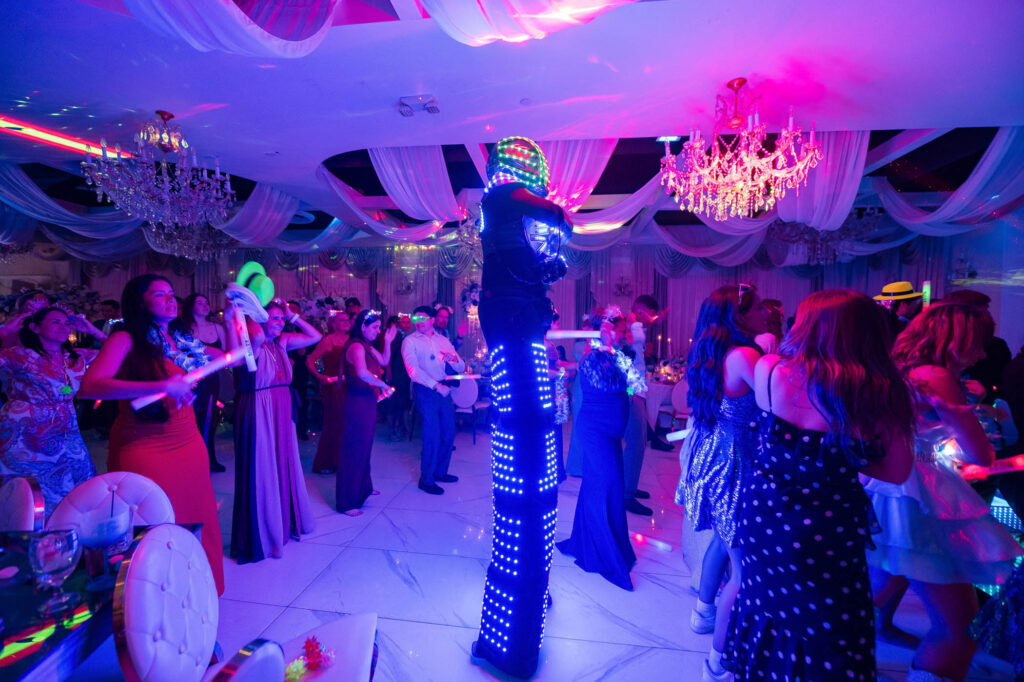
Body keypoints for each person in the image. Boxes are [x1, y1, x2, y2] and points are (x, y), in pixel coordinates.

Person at [726, 289, 915, 682]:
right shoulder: (878, 392)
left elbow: (779, 435)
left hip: (765, 515)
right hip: (826, 524)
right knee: (830, 623)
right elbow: (897, 471)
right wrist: (842, 454)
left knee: (765, 605)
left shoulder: (770, 370)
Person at [864, 302, 1023, 682]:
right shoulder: (935, 375)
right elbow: (980, 454)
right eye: (980, 342)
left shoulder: (904, 369)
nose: (983, 353)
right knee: (958, 629)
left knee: (867, 601)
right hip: (919, 493)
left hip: (893, 488)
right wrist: (966, 414)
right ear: (958, 340)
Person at [471, 136, 572, 679]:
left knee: (534, 464)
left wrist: (548, 257)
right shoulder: (501, 198)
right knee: (528, 464)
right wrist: (556, 228)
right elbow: (555, 215)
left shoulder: (507, 222)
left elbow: (550, 254)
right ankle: (508, 640)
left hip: (519, 325)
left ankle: (524, 609)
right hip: (511, 324)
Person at [79, 275, 228, 594]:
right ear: (139, 301)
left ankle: (197, 596)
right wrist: (160, 386)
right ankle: (154, 599)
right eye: (160, 295)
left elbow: (225, 355)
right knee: (157, 522)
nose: (171, 300)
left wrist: (235, 321)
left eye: (172, 294)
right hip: (146, 445)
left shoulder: (179, 337)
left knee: (196, 514)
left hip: (188, 441)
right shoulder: (125, 338)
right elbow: (90, 386)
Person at [675, 284, 766, 677]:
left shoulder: (711, 351)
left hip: (713, 450)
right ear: (739, 316)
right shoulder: (745, 355)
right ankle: (718, 663)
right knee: (745, 569)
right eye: (759, 307)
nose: (766, 312)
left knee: (722, 540)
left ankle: (703, 613)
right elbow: (777, 406)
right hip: (735, 459)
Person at [229, 299, 320, 564]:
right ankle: (266, 532)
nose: (279, 322)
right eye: (275, 318)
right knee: (264, 465)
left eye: (281, 319)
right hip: (260, 406)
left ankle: (285, 521)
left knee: (283, 463)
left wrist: (292, 316)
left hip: (281, 407)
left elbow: (315, 336)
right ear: (259, 319)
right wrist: (244, 315)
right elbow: (245, 349)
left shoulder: (283, 342)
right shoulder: (252, 344)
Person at [557, 321, 642, 591]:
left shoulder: (620, 356)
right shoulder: (592, 357)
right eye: (616, 330)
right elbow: (601, 382)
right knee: (608, 485)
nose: (622, 334)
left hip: (613, 431)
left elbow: (636, 385)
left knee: (598, 485)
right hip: (595, 431)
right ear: (601, 332)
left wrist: (628, 392)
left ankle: (585, 543)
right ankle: (605, 555)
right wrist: (611, 354)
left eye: (622, 331)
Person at [0, 308, 101, 513]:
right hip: (24, 435)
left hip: (66, 430)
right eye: (56, 322)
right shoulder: (18, 355)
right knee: (26, 497)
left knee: (76, 492)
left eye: (67, 323)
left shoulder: (76, 358)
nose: (63, 327)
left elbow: (127, 354)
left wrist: (94, 331)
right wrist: (5, 330)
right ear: (35, 327)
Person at [336, 309, 396, 515]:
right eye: (375, 327)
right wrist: (383, 385)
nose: (378, 331)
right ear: (362, 326)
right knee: (354, 448)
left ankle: (363, 488)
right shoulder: (355, 346)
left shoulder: (367, 346)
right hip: (357, 402)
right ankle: (346, 502)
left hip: (367, 400)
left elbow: (384, 361)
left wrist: (387, 341)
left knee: (364, 447)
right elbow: (362, 372)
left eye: (379, 328)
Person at [402, 305, 464, 494]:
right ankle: (427, 479)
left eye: (422, 318)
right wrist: (436, 386)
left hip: (443, 389)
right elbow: (413, 371)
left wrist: (453, 360)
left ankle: (440, 472)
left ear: (432, 320)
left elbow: (461, 367)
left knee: (448, 432)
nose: (418, 322)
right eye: (415, 319)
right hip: (426, 389)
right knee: (432, 434)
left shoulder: (443, 340)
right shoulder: (410, 341)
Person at [178, 294, 228, 472]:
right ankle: (189, 459)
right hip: (190, 378)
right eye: (199, 303)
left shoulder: (217, 328)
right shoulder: (183, 328)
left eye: (206, 302)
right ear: (190, 306)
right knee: (190, 418)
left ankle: (209, 458)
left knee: (209, 418)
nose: (205, 305)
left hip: (211, 377)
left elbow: (225, 354)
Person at [945, 289, 1012, 401]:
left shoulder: (996, 348)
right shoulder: (935, 373)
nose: (990, 319)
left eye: (987, 313)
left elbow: (1003, 389)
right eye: (981, 315)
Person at [306, 311, 351, 474]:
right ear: (333, 324)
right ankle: (326, 462)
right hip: (333, 387)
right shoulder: (328, 340)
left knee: (347, 424)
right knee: (333, 423)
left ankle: (343, 462)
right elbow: (310, 360)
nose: (346, 322)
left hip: (349, 386)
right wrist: (319, 376)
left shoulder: (352, 340)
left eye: (347, 319)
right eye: (342, 320)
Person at [286, 301, 313, 441]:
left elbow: (302, 352)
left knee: (300, 399)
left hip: (298, 369)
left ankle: (301, 429)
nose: (291, 311)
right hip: (282, 369)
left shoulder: (302, 328)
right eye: (289, 309)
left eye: (294, 309)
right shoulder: (280, 326)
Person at [383, 314, 412, 441]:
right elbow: (388, 355)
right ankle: (392, 430)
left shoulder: (405, 336)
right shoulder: (396, 335)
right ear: (399, 324)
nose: (406, 324)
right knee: (393, 401)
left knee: (402, 401)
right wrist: (388, 371)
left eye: (408, 322)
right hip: (395, 373)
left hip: (403, 373)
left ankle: (401, 428)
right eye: (403, 322)